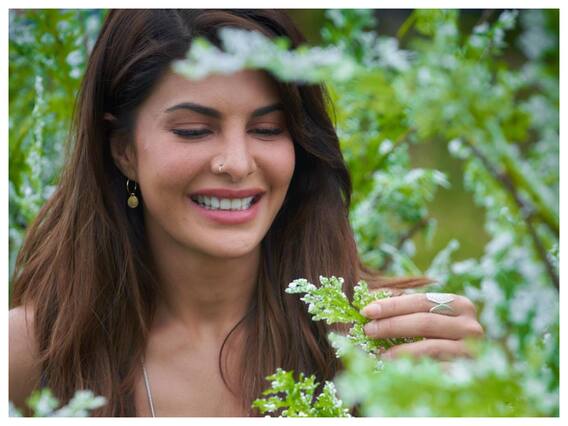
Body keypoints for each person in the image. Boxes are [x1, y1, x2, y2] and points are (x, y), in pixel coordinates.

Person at [9, 10, 483, 417]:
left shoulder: (381, 340)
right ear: (123, 150)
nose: (237, 163)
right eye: (194, 130)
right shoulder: (32, 355)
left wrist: (474, 396)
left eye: (268, 129)